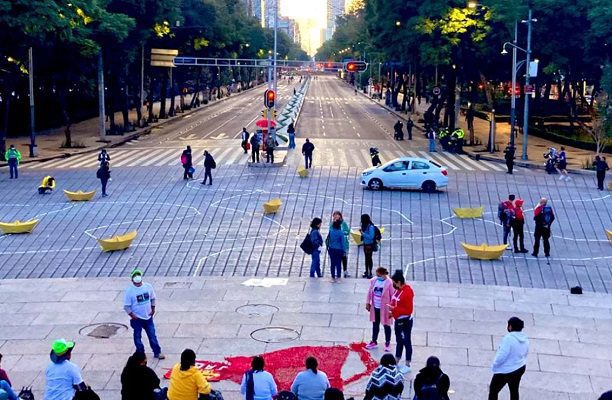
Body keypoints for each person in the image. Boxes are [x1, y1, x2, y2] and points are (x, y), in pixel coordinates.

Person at [124, 269, 165, 360]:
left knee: (152, 335)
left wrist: (153, 309)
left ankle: (157, 352)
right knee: (137, 337)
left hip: (148, 317)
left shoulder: (148, 287)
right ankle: (140, 353)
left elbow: (152, 298)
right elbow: (126, 306)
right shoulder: (129, 291)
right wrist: (133, 316)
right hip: (137, 319)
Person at [488, 317, 529, 400]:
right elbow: (525, 353)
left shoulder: (508, 339)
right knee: (514, 390)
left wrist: (494, 366)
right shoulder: (525, 339)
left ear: (510, 327)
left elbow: (501, 356)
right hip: (520, 368)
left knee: (493, 390)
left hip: (506, 370)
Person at [389, 270, 414, 374]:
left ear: (398, 282)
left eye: (394, 283)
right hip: (398, 319)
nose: (393, 285)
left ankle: (408, 364)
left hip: (405, 321)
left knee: (406, 341)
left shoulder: (407, 292)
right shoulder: (398, 290)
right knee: (399, 340)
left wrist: (394, 309)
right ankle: (397, 359)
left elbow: (408, 310)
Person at [365, 267, 393, 352]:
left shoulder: (389, 283)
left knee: (386, 325)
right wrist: (367, 302)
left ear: (383, 274)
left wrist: (391, 309)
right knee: (375, 324)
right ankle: (374, 341)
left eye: (379, 275)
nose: (377, 276)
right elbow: (370, 292)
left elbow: (392, 296)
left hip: (384, 308)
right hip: (375, 306)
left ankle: (387, 342)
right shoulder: (374, 280)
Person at [329, 211, 350, 278]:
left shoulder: (343, 223)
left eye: (337, 215)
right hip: (337, 246)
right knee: (336, 261)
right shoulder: (332, 224)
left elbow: (347, 231)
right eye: (334, 215)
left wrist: (343, 232)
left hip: (343, 243)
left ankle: (345, 270)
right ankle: (336, 273)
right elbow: (330, 231)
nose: (335, 216)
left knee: (344, 258)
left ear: (340, 216)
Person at [360, 214, 376, 279]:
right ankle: (366, 271)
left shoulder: (370, 227)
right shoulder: (364, 226)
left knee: (369, 258)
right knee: (366, 258)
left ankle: (370, 272)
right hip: (365, 244)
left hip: (369, 245)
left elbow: (371, 237)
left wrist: (363, 234)